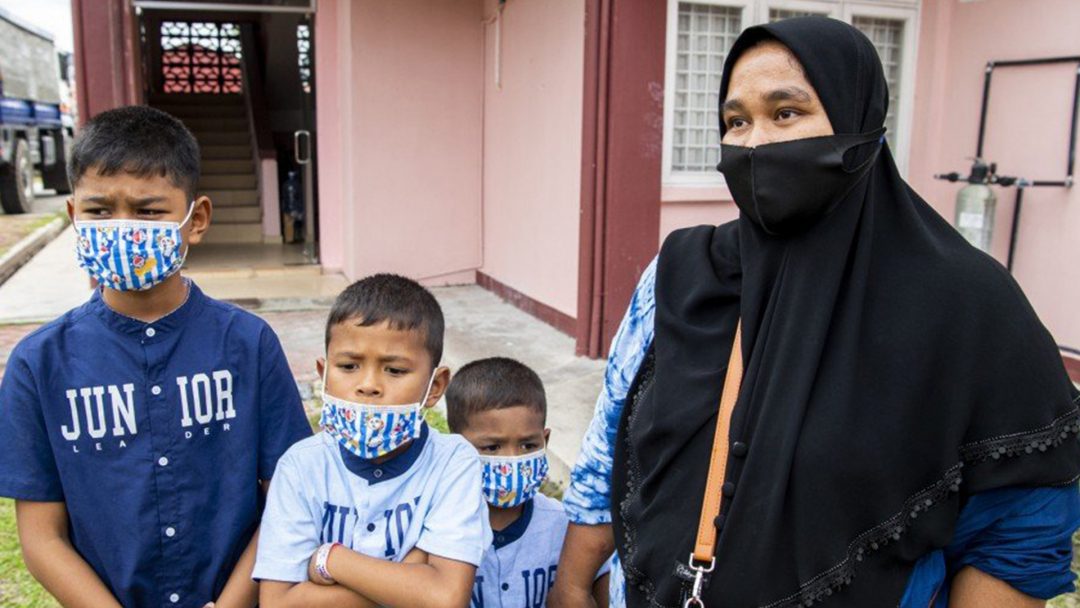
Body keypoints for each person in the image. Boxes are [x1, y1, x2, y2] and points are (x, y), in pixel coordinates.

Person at [551, 16, 1080, 608]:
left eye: (785, 113)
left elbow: (1016, 535)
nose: (753, 145)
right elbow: (609, 443)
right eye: (736, 121)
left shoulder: (968, 306)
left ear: (859, 122)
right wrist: (571, 586)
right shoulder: (683, 275)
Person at [0, 105, 311, 608]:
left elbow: (287, 502)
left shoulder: (249, 344)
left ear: (196, 219)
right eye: (100, 211)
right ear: (74, 217)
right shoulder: (38, 365)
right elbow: (41, 536)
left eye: (148, 211)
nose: (123, 228)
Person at [253, 274, 491, 607]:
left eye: (394, 370)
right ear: (323, 376)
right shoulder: (300, 466)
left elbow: (445, 599)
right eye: (349, 366)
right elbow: (278, 603)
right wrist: (408, 582)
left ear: (435, 387)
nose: (368, 385)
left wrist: (330, 560)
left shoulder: (453, 462)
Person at [446, 357, 611, 608]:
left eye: (528, 445)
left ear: (545, 441)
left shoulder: (568, 528)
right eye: (492, 447)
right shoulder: (438, 528)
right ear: (456, 447)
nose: (512, 460)